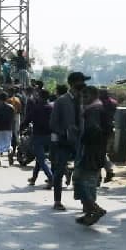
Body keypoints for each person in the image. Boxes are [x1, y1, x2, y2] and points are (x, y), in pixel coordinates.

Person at [50, 73, 88, 211]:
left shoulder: (84, 100)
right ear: (73, 84)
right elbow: (53, 123)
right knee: (59, 172)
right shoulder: (61, 101)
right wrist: (65, 132)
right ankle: (57, 201)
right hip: (64, 143)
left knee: (83, 173)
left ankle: (86, 203)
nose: (83, 86)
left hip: (80, 142)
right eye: (81, 83)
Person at [73, 86, 108, 226]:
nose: (83, 99)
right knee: (85, 182)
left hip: (91, 152)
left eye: (86, 96)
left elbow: (93, 130)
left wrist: (81, 137)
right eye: (82, 96)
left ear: (94, 95)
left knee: (82, 181)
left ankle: (94, 209)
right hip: (95, 151)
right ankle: (89, 213)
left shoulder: (93, 110)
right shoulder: (97, 109)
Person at [23, 88, 53, 187]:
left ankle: (51, 178)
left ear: (40, 97)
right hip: (51, 136)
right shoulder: (52, 107)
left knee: (41, 159)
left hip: (38, 136)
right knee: (40, 158)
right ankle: (34, 178)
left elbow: (27, 120)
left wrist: (21, 128)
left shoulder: (36, 108)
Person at [98, 87, 118, 182]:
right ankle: (108, 171)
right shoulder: (113, 102)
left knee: (98, 152)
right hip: (109, 129)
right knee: (102, 152)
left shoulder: (99, 104)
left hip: (99, 130)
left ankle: (99, 175)